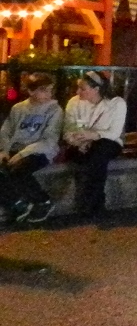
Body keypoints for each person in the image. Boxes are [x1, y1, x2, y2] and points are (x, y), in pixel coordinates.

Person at [0, 72, 63, 224]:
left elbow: (49, 140)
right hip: (17, 149)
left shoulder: (54, 110)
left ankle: (43, 201)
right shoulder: (18, 108)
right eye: (43, 90)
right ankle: (17, 204)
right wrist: (4, 151)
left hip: (39, 151)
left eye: (49, 90)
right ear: (31, 91)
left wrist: (22, 154)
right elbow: (6, 131)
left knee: (19, 171)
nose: (48, 94)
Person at [63, 70, 126, 219]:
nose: (78, 92)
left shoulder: (116, 103)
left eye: (83, 88)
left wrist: (93, 136)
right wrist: (77, 141)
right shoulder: (74, 102)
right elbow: (68, 128)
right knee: (89, 158)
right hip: (80, 142)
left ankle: (89, 202)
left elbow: (115, 132)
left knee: (99, 152)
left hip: (108, 142)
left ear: (96, 89)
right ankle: (96, 204)